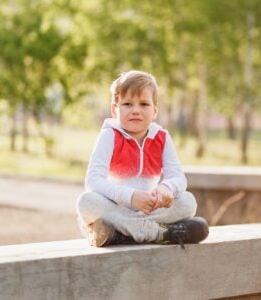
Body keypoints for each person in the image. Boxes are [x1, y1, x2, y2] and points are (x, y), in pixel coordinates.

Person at [76, 70, 209, 248]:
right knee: (86, 202)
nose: (136, 110)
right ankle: (157, 233)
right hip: (115, 207)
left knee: (188, 202)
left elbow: (178, 177)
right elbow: (93, 181)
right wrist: (131, 197)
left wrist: (165, 188)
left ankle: (122, 233)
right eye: (128, 104)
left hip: (149, 209)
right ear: (115, 109)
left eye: (144, 104)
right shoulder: (110, 136)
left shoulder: (161, 137)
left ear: (155, 110)